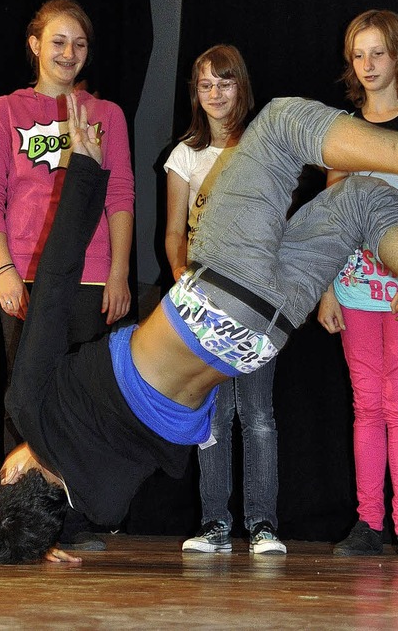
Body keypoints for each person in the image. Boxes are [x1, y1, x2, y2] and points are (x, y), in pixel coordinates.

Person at [0, 43, 398, 565]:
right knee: (278, 124)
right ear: (12, 468)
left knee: (362, 199)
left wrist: (39, 542)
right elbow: (53, 285)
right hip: (216, 293)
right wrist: (86, 171)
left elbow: (67, 498)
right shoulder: (33, 410)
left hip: (260, 337)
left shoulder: (103, 500)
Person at [0, 0, 134, 550]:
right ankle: (24, 522)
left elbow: (121, 197)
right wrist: (3, 269)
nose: (69, 53)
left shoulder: (105, 114)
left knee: (84, 403)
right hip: (24, 276)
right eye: (59, 41)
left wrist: (118, 272)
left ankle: (77, 520)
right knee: (25, 401)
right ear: (35, 45)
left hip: (89, 279)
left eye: (80, 44)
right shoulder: (5, 111)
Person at [318, 10, 398, 558]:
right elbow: (327, 215)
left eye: (377, 53)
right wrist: (325, 287)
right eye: (358, 55)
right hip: (353, 288)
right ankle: (369, 523)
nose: (368, 65)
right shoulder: (345, 129)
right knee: (366, 405)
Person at [164, 45, 284, 554]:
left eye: (225, 83)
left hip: (254, 299)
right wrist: (181, 282)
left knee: (257, 415)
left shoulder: (262, 147)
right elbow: (173, 233)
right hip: (202, 303)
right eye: (205, 85)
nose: (215, 94)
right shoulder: (185, 155)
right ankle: (215, 522)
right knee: (211, 415)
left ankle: (262, 525)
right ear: (196, 92)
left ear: (242, 87)